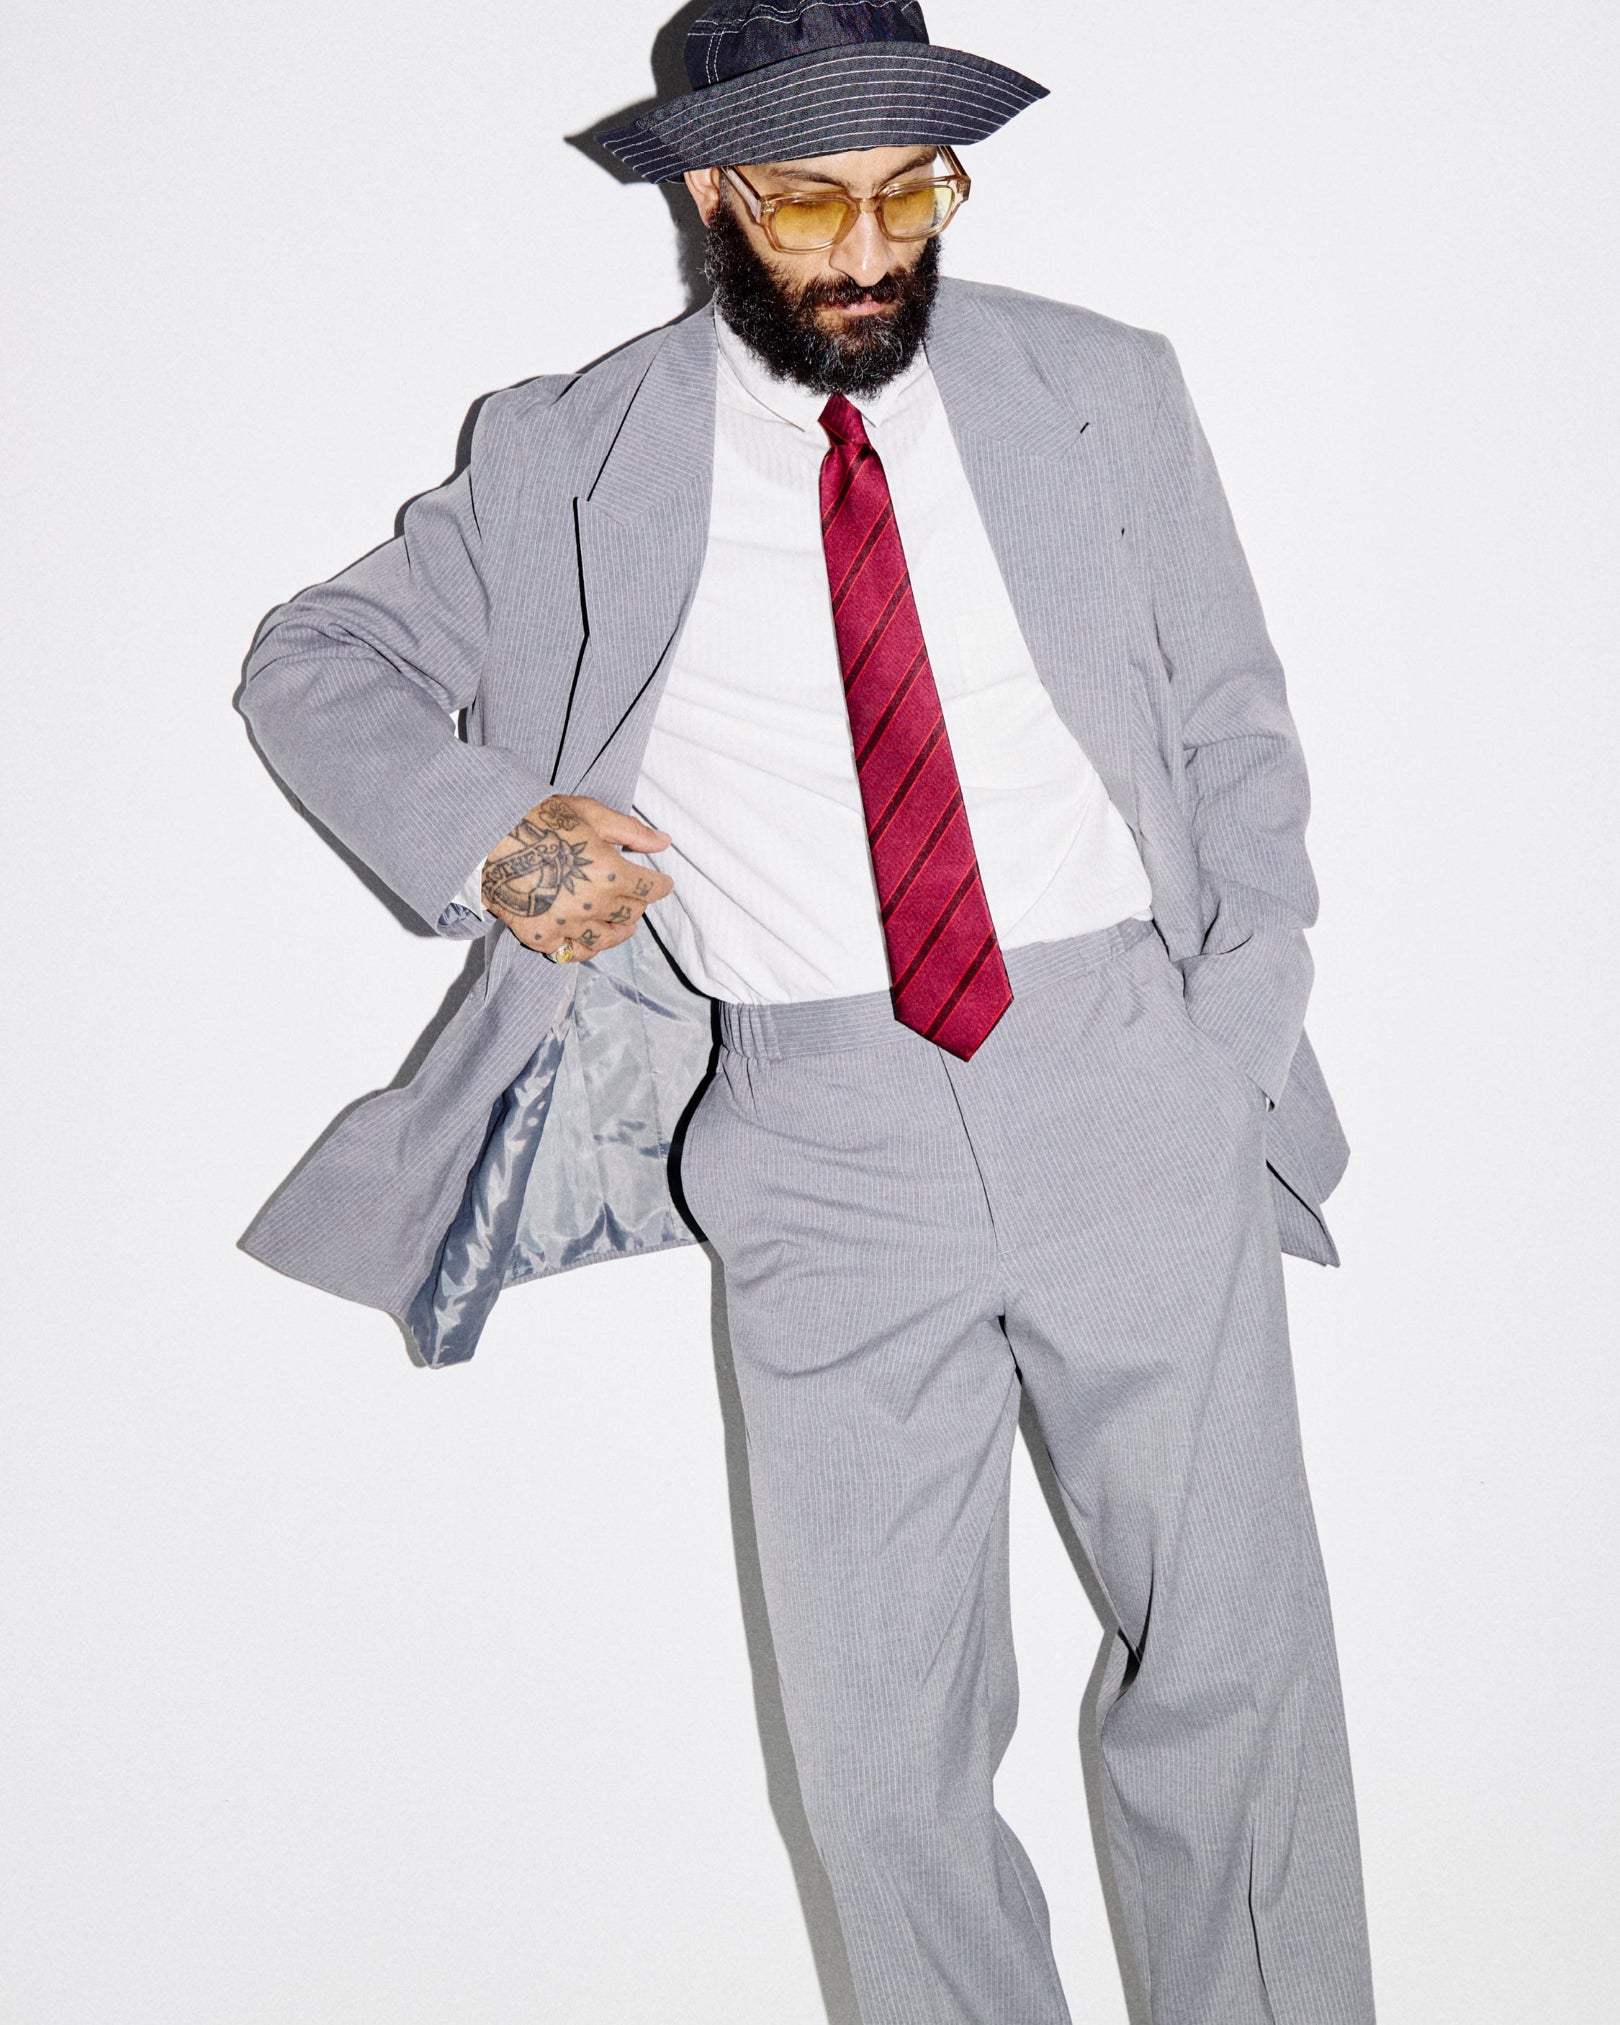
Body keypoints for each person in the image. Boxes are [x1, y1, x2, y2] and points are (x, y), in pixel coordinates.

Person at [237, 3, 1377, 2019]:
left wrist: (1229, 1032)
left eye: (911, 194)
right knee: (880, 1768)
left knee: (1232, 1687)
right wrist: (498, 835)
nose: (869, 252)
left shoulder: (1105, 393)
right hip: (819, 1138)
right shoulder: (573, 459)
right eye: (811, 205)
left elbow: (1234, 733)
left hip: (1130, 1075)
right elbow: (314, 659)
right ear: (706, 193)